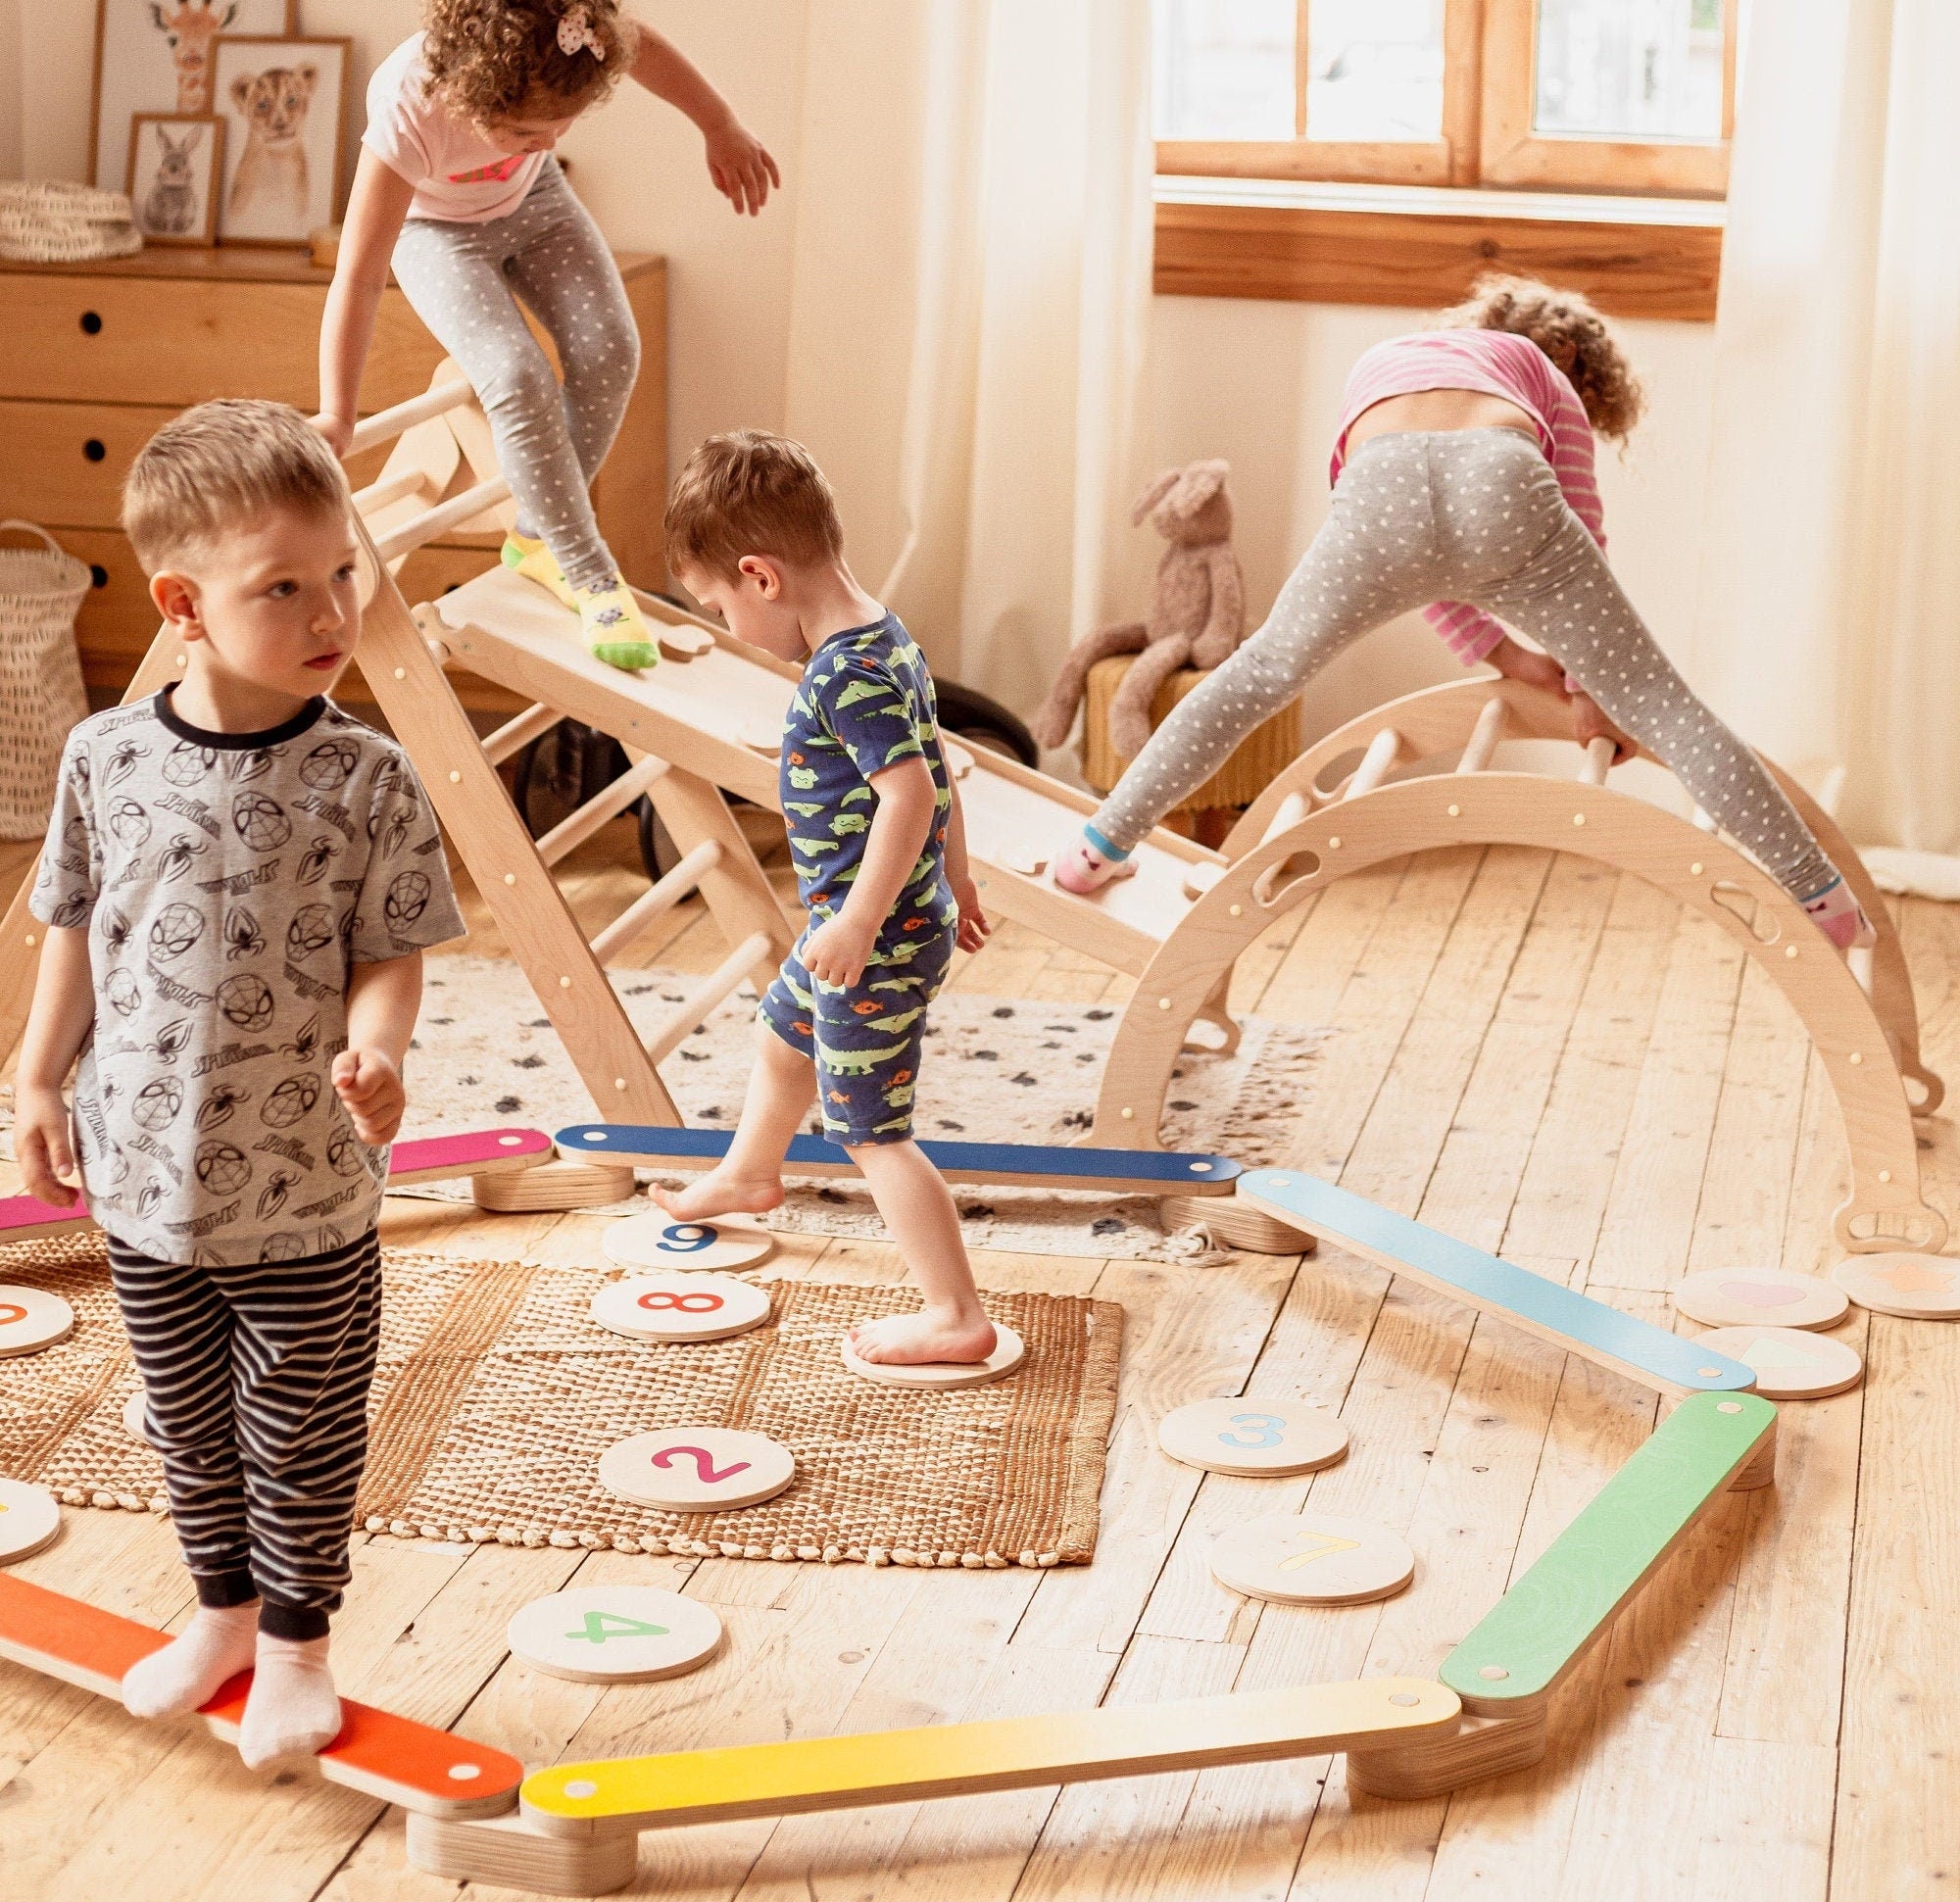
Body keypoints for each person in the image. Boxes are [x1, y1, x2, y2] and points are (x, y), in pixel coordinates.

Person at [14, 401, 466, 1766]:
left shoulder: (366, 776)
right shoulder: (106, 758)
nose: (333, 607)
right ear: (184, 606)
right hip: (144, 1177)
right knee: (186, 1418)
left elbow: (395, 949)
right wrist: (36, 1081)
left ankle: (295, 1645)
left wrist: (382, 1054)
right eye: (284, 587)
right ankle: (217, 1610)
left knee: (299, 1425)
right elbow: (76, 924)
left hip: (307, 1184)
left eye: (342, 572)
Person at [1052, 275, 1873, 951]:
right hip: (1503, 481)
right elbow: (1579, 520)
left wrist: (1508, 658)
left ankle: (1099, 849)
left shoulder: (1386, 360)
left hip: (1378, 494)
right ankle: (1822, 900)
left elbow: (1410, 552)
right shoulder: (1538, 372)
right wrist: (1592, 682)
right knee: (1669, 708)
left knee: (1258, 671)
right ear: (1571, 358)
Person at [656, 430, 997, 1367]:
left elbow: (912, 792)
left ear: (760, 577)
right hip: (871, 923)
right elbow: (941, 766)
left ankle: (954, 1315)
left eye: (720, 606)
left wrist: (857, 920)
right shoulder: (885, 636)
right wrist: (956, 876)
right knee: (781, 1040)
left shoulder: (843, 672)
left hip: (871, 939)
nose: (729, 628)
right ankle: (749, 1174)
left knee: (871, 1132)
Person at [315, 0, 778, 671]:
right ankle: (587, 569)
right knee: (516, 374)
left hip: (536, 206)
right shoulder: (409, 110)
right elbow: (357, 277)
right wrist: (338, 409)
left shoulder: (567, 55)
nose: (551, 141)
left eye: (563, 126)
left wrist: (720, 124)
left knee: (612, 350)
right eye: (528, 131)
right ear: (471, 100)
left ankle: (536, 537)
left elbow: (641, 44)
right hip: (436, 234)